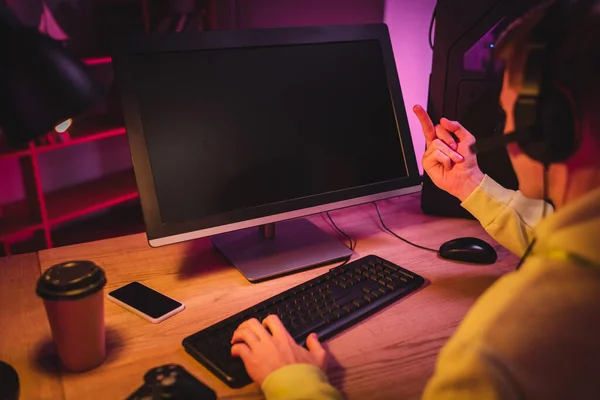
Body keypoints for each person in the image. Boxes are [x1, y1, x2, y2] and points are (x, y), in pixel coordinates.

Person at [229, 0, 600, 398]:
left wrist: (292, 380)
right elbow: (550, 235)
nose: (504, 128)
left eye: (508, 114)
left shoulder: (510, 345)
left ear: (551, 130)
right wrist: (469, 182)